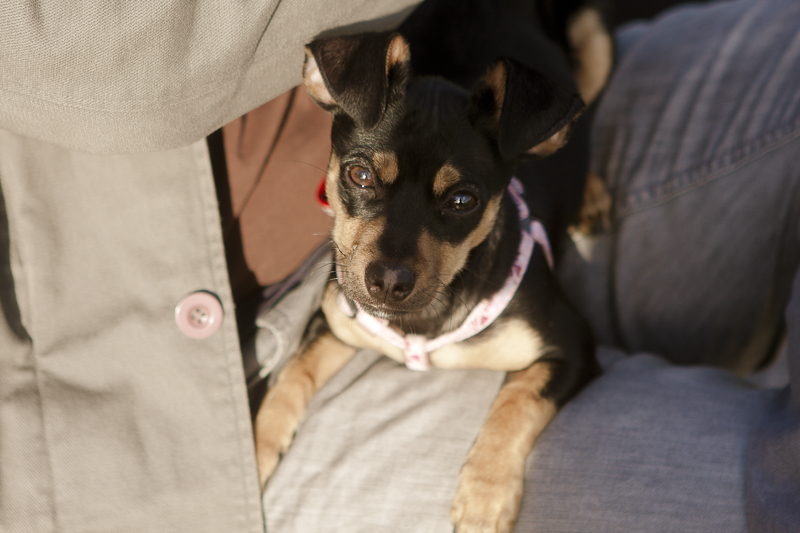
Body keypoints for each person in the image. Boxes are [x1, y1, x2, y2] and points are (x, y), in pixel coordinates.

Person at [1, 2, 797, 533]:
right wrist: (280, 408)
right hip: (198, 380)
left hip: (467, 111)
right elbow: (95, 62)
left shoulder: (489, 129)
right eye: (362, 182)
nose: (391, 263)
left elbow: (560, 349)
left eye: (459, 205)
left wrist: (501, 442)